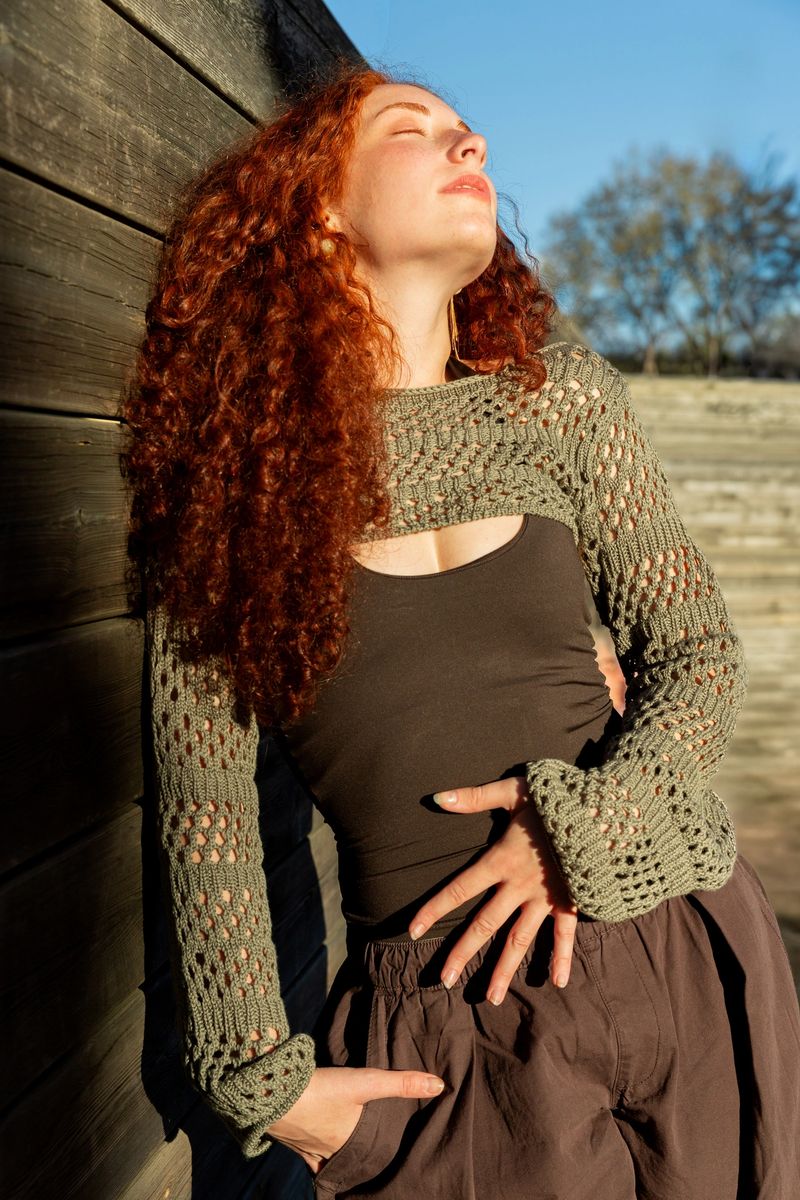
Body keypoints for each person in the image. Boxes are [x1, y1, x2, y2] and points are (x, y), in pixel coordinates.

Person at [122, 60, 800, 1199]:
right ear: (319, 207)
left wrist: (574, 832)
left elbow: (693, 648)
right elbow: (209, 811)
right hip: (452, 1032)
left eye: (470, 131)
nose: (468, 145)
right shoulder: (230, 496)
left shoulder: (560, 400)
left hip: (675, 934)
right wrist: (262, 1077)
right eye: (414, 129)